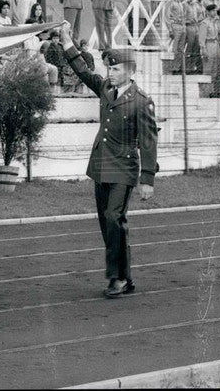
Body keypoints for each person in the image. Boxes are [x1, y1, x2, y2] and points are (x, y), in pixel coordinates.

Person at [58, 23, 157, 299]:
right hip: (101, 165)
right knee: (107, 222)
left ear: (129, 71)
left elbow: (149, 142)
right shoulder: (104, 88)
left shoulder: (141, 102)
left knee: (115, 218)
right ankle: (124, 276)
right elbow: (81, 69)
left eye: (115, 69)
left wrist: (147, 180)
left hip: (124, 168)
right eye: (109, 68)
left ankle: (117, 278)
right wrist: (67, 41)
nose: (110, 73)